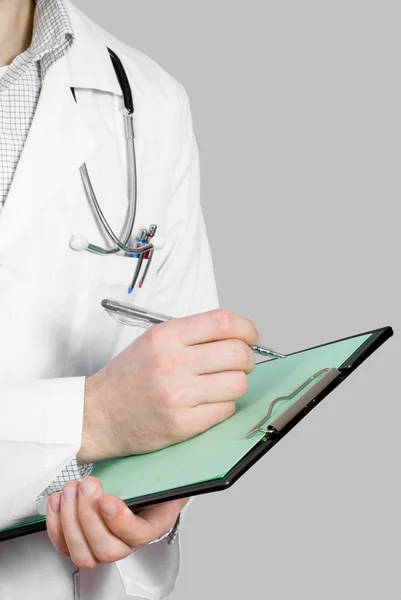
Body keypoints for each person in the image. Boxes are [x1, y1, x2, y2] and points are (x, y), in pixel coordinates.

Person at [0, 0, 260, 598]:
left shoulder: (145, 101)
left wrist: (155, 499)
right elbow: (117, 413)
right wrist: (93, 418)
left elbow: (170, 413)